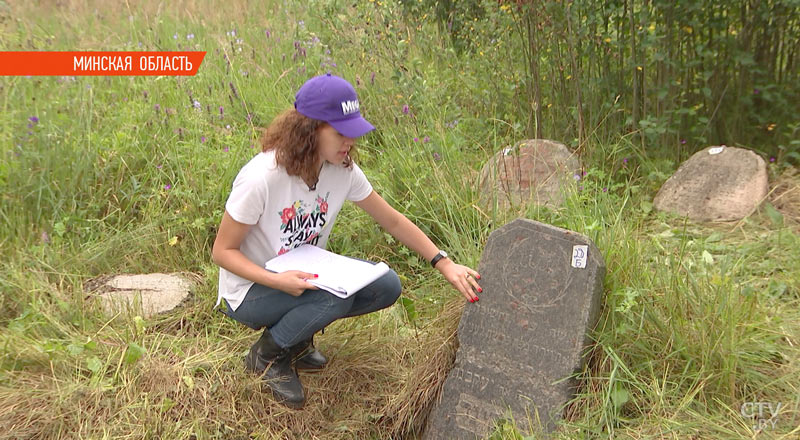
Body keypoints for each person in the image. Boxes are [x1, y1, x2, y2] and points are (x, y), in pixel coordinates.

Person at [211, 74, 482, 409]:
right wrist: (277, 281)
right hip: (250, 290)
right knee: (333, 300)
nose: (349, 142)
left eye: (352, 132)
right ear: (309, 129)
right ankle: (266, 356)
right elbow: (222, 252)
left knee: (386, 285)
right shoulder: (262, 178)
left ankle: (296, 340)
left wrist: (443, 262)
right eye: (340, 132)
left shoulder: (341, 170)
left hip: (304, 275)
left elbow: (392, 219)